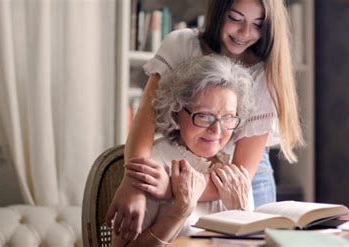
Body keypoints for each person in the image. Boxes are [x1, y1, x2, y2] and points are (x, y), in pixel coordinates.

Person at [106, 0, 304, 241]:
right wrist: (135, 183)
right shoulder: (182, 45)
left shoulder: (264, 75)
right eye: (236, 18)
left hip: (239, 172)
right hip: (183, 162)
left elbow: (240, 171)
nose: (245, 33)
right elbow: (146, 115)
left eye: (257, 24)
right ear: (219, 12)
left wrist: (171, 188)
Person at [112, 55, 253, 246]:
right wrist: (178, 213)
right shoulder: (152, 166)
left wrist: (241, 213)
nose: (217, 130)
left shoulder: (234, 172)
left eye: (228, 117)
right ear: (177, 112)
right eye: (204, 116)